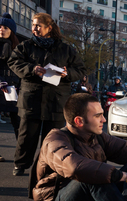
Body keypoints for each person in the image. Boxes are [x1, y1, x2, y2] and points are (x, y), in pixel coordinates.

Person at [8, 12, 86, 176]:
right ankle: (21, 164)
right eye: (33, 24)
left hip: (56, 101)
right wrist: (31, 69)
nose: (34, 28)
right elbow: (13, 62)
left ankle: (50, 167)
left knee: (54, 139)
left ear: (49, 28)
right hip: (31, 99)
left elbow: (80, 70)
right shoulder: (25, 46)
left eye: (38, 25)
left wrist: (67, 73)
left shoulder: (65, 49)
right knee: (26, 136)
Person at [0, 13, 20, 162]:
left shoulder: (17, 48)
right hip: (1, 86)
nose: (1, 29)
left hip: (13, 89)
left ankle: (21, 155)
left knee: (18, 123)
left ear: (11, 30)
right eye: (0, 27)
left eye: (5, 27)